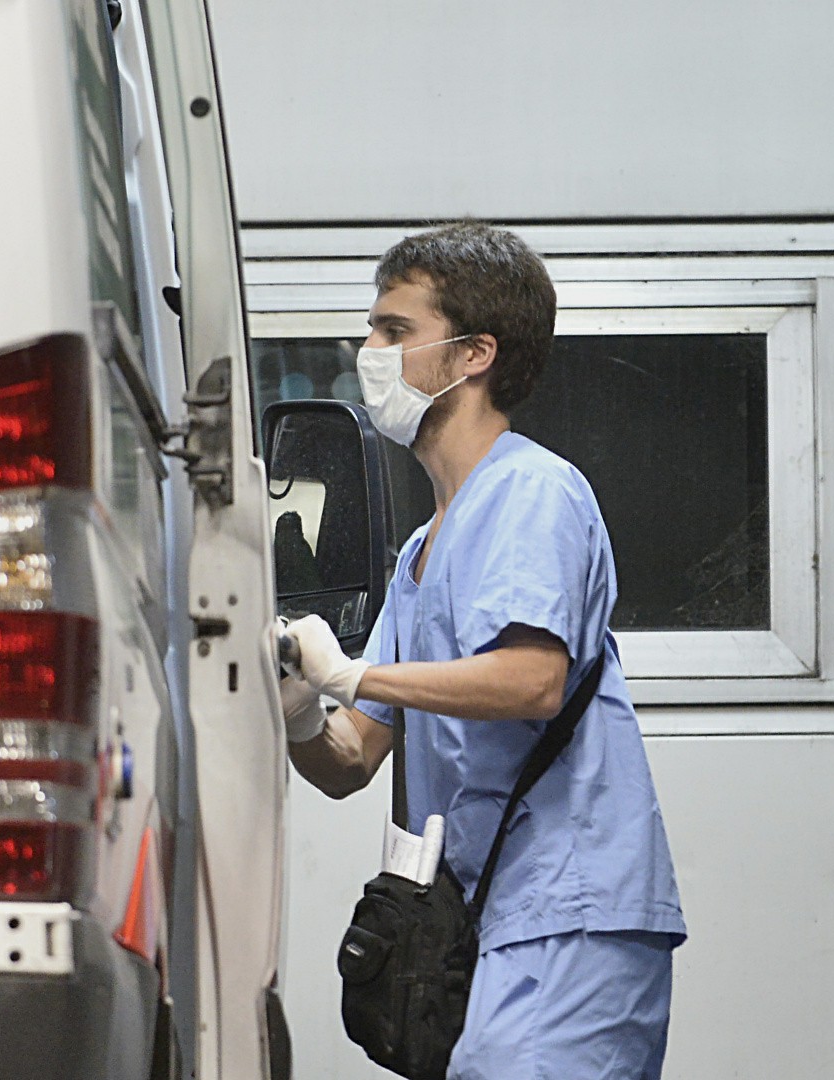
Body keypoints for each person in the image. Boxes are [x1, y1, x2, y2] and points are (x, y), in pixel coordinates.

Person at [282, 221, 686, 1080]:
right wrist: (295, 709)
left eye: (395, 331)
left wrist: (349, 671)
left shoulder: (532, 492)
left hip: (568, 913)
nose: (370, 350)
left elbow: (533, 680)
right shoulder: (425, 549)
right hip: (485, 919)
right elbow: (352, 757)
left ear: (473, 356)